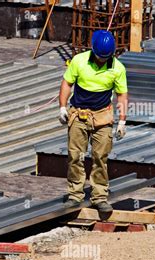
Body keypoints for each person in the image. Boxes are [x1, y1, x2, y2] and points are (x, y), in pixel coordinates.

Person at [58, 30, 128, 213]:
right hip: (79, 115)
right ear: (93, 50)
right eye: (99, 56)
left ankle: (99, 196)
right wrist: (62, 107)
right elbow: (67, 83)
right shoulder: (79, 61)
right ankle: (75, 195)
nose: (102, 60)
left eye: (106, 57)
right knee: (75, 156)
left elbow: (122, 95)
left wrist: (122, 121)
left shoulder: (118, 68)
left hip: (102, 116)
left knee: (100, 157)